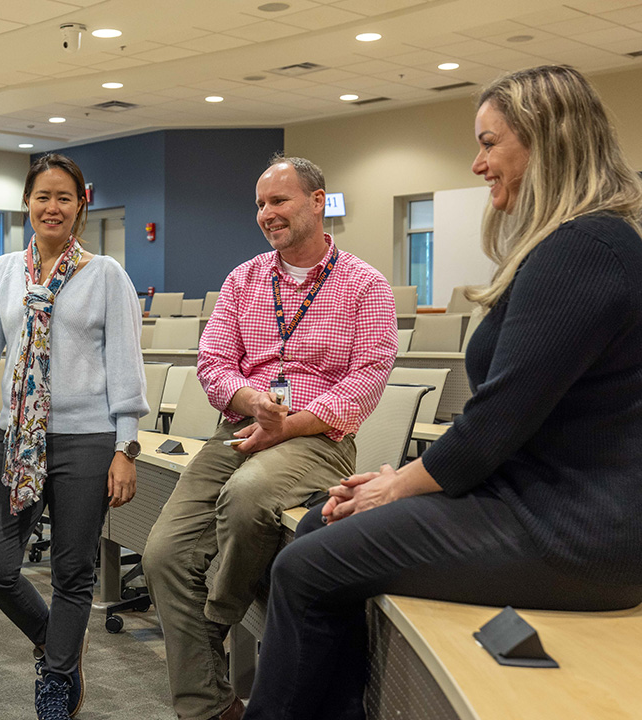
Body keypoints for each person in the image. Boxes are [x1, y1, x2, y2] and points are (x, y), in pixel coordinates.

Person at [242, 65, 642, 720]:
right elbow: (505, 422)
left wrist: (397, 485)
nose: (477, 164)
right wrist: (398, 482)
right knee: (313, 526)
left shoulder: (587, 244)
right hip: (525, 507)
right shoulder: (569, 244)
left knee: (306, 568)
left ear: (545, 141)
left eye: (489, 142)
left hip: (577, 535)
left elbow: (497, 420)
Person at [143, 155, 397, 720]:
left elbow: (364, 384)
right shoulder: (243, 280)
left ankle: (214, 617)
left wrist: (288, 422)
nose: (266, 214)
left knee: (248, 497)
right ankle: (212, 709)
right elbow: (212, 364)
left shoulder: (366, 286)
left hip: (319, 438)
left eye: (278, 201)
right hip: (237, 427)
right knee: (162, 554)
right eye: (260, 204)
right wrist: (247, 401)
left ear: (317, 201)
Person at [0, 153, 148, 720]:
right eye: (43, 196)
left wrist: (126, 446)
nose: (52, 207)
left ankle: (57, 678)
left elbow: (125, 368)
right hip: (18, 435)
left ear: (80, 207)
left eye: (64, 198)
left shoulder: (106, 275)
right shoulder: (2, 273)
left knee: (74, 572)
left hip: (87, 439)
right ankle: (56, 641)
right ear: (27, 202)